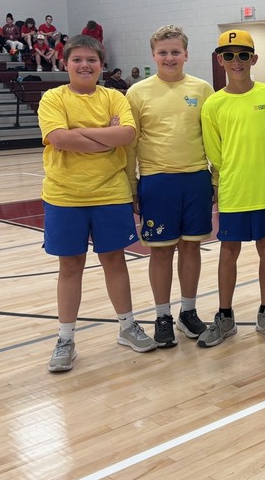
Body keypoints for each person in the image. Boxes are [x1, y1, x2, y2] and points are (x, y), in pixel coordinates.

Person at [38, 34, 155, 373]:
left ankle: (127, 326)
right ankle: (65, 339)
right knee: (70, 267)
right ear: (66, 63)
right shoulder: (52, 98)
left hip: (111, 193)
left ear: (101, 65)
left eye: (91, 60)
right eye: (77, 60)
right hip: (65, 195)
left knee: (114, 261)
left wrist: (79, 136)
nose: (84, 65)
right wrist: (105, 137)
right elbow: (57, 138)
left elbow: (127, 135)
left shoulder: (115, 97)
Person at [196, 30, 265, 348]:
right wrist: (233, 175)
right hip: (233, 191)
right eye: (230, 55)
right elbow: (216, 153)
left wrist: (261, 169)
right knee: (228, 252)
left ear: (254, 59)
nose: (237, 61)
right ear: (220, 59)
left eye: (243, 55)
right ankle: (225, 317)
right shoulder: (213, 105)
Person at [125, 25, 213, 348]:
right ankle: (162, 316)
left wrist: (215, 177)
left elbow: (213, 140)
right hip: (156, 181)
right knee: (160, 252)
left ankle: (188, 311)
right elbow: (130, 145)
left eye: (175, 51)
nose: (169, 57)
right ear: (153, 56)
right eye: (163, 52)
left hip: (195, 179)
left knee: (191, 247)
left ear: (186, 54)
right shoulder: (137, 93)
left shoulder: (203, 90)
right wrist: (131, 184)